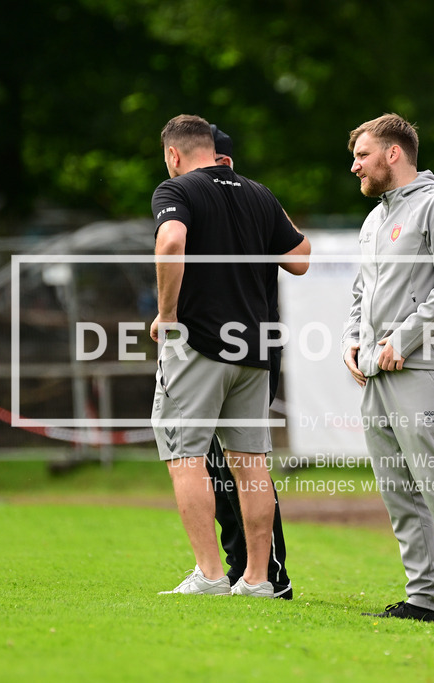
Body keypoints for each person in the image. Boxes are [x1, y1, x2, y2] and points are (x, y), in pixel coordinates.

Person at [150, 114, 310, 596]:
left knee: (186, 456)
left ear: (174, 155)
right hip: (255, 347)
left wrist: (167, 312)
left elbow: (171, 241)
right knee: (251, 463)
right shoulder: (258, 192)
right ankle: (258, 580)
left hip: (199, 343)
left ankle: (211, 574)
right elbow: (300, 257)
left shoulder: (174, 191)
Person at [341, 113, 434, 626]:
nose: (355, 166)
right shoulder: (373, 219)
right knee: (398, 490)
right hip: (376, 374)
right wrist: (353, 340)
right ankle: (422, 599)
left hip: (426, 369)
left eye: (362, 156)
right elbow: (362, 293)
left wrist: (402, 338)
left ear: (393, 153)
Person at [200, 123, 293, 599]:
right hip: (234, 347)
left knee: (244, 461)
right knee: (220, 464)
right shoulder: (228, 202)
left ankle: (270, 573)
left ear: (222, 162)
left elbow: (299, 256)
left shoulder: (251, 198)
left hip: (248, 347)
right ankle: (241, 567)